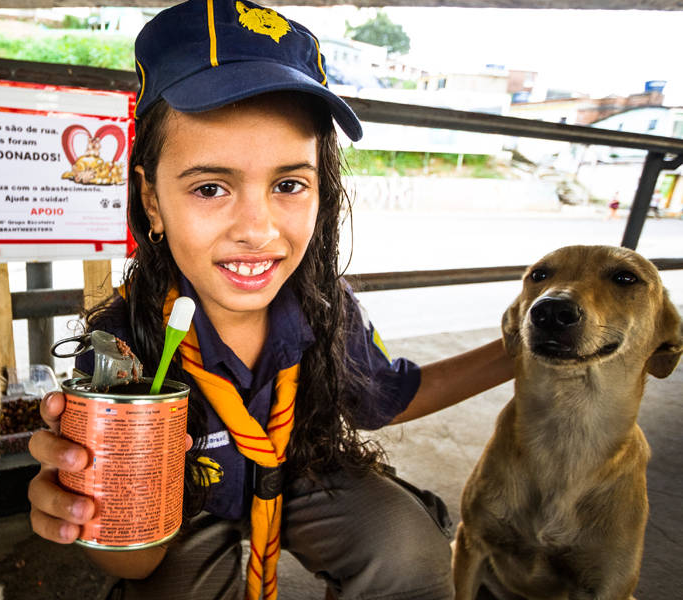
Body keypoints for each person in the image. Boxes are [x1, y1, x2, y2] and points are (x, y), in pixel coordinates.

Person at [27, 1, 514, 598]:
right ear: (152, 201)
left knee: (408, 551)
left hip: (300, 467)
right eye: (210, 187)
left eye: (288, 184)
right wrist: (94, 507)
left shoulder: (323, 306)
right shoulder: (118, 348)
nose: (257, 229)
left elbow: (386, 397)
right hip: (186, 502)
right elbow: (135, 564)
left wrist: (518, 353)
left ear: (321, 190)